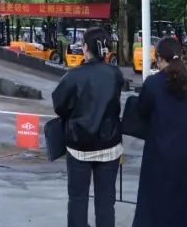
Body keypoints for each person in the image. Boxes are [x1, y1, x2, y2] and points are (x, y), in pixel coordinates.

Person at [52, 27, 124, 227]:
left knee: (77, 199)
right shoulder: (115, 74)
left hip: (79, 146)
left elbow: (59, 106)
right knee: (106, 202)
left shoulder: (73, 76)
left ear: (85, 48)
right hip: (110, 145)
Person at [132, 36, 187, 227]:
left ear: (159, 58)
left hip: (160, 154)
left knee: (156, 208)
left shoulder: (153, 83)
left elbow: (142, 112)